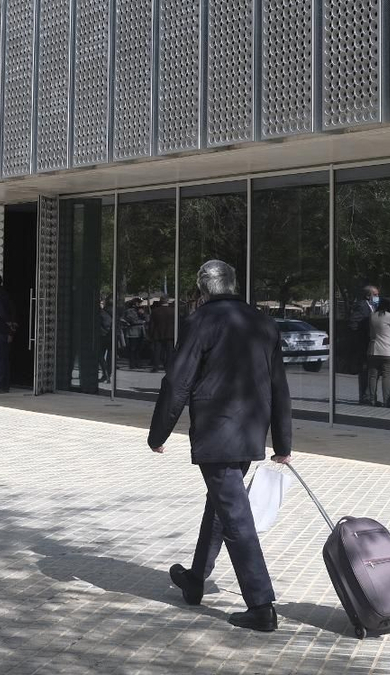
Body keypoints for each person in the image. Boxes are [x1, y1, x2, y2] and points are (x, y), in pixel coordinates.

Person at [149, 260, 293, 633]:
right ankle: (195, 579)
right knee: (220, 504)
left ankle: (261, 605)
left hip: (217, 433)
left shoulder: (201, 321)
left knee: (235, 516)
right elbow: (279, 384)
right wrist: (283, 441)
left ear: (203, 288)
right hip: (250, 431)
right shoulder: (262, 321)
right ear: (232, 284)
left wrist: (158, 434)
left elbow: (177, 381)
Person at [368, 297, 390, 408]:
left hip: (374, 349)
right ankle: (387, 400)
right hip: (388, 350)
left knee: (373, 376)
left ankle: (372, 399)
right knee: (386, 376)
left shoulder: (373, 316)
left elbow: (371, 333)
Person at [348, 285, 380, 404]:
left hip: (373, 344)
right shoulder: (362, 306)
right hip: (364, 344)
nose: (377, 297)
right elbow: (353, 323)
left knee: (372, 371)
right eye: (375, 295)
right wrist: (362, 336)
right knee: (365, 370)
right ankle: (364, 396)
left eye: (377, 294)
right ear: (367, 296)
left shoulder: (375, 307)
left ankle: (370, 395)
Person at [149, 295, 176, 372]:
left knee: (157, 351)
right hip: (170, 333)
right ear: (167, 301)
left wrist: (150, 334)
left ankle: (156, 367)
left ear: (160, 301)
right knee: (169, 351)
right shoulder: (173, 311)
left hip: (157, 333)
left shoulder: (155, 311)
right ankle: (168, 367)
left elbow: (151, 324)